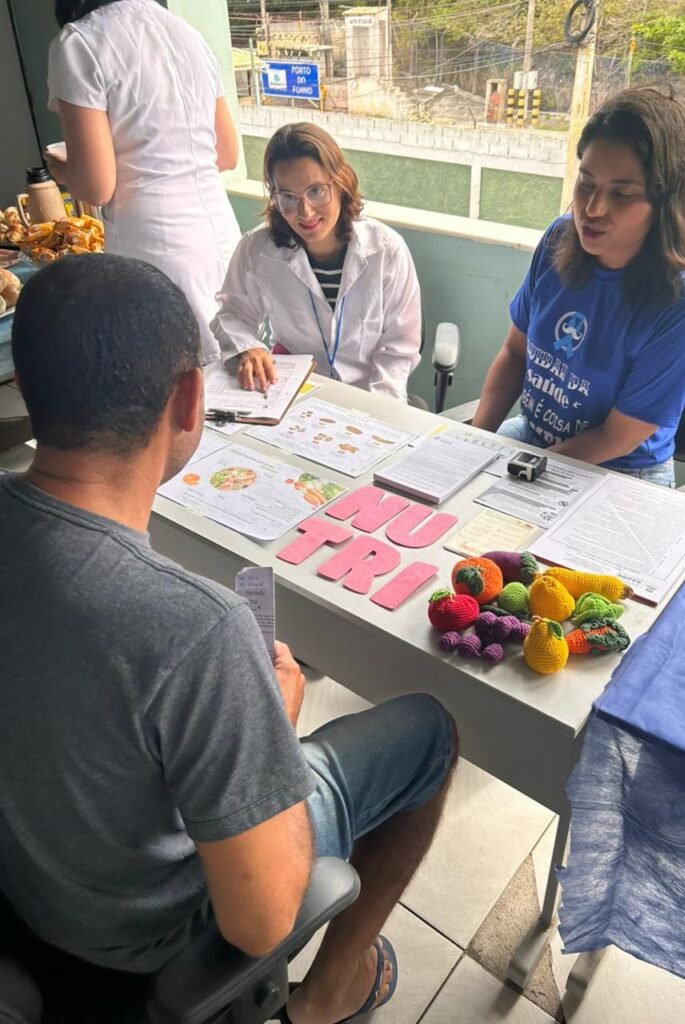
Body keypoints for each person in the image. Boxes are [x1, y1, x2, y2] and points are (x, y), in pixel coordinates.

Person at [0, 254, 457, 1024]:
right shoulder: (199, 629)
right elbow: (263, 917)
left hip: (29, 889)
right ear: (190, 399)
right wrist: (269, 725)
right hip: (142, 939)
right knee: (430, 735)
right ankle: (329, 995)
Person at [473, 87, 685, 487]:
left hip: (621, 469)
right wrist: (474, 441)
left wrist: (520, 476)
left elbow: (618, 436)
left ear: (664, 202)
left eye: (622, 194)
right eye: (586, 184)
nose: (593, 210)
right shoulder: (559, 239)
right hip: (533, 439)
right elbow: (514, 353)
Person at [46, 0, 242, 364]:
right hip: (223, 240)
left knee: (175, 382)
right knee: (243, 375)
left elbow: (95, 187)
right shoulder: (188, 34)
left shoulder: (79, 42)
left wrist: (63, 170)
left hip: (155, 247)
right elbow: (227, 154)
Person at [211, 123, 422, 403]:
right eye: (287, 197)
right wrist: (247, 347)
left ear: (341, 181)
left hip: (368, 396)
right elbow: (232, 314)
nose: (305, 211)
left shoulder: (386, 251)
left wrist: (378, 413)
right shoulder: (256, 249)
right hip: (290, 394)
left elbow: (398, 350)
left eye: (316, 191)